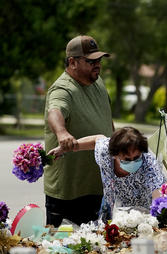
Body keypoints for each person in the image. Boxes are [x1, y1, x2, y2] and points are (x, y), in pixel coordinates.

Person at [43, 35, 114, 227]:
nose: (97, 65)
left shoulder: (97, 82)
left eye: (99, 60)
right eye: (91, 61)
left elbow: (107, 122)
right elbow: (55, 111)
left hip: (99, 187)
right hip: (69, 193)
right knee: (60, 253)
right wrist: (62, 133)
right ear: (72, 62)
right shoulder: (62, 89)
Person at [48, 127, 166, 220]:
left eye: (136, 157)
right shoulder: (105, 152)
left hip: (143, 215)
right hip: (112, 208)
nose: (133, 162)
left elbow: (158, 192)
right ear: (114, 155)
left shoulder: (149, 163)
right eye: (127, 159)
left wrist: (158, 213)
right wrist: (65, 148)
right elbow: (96, 140)